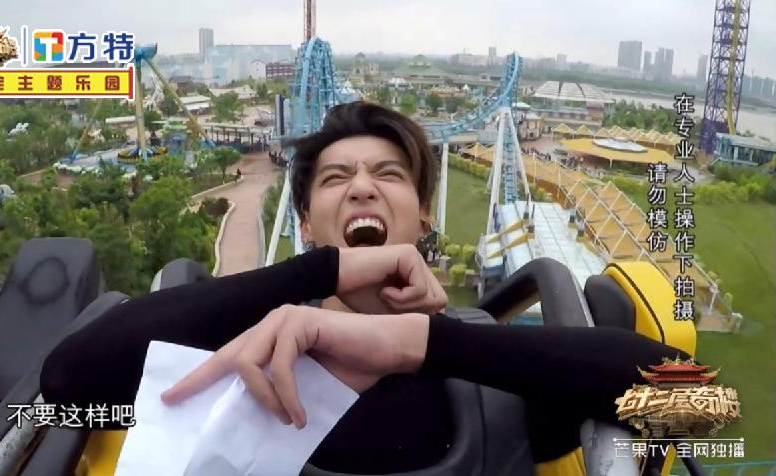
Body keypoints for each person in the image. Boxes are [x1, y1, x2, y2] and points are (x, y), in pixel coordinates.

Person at [40, 101, 685, 473]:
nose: (361, 188)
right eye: (335, 179)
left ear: (423, 216)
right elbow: (67, 384)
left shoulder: (492, 377)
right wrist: (318, 273)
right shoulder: (246, 352)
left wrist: (417, 343)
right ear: (304, 223)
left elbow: (694, 397)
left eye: (388, 174)